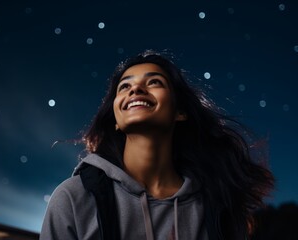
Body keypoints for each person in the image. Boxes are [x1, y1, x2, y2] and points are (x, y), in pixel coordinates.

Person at [40, 50, 274, 240]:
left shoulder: (217, 205)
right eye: (124, 87)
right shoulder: (74, 197)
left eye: (154, 82)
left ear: (180, 112)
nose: (135, 89)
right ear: (115, 121)